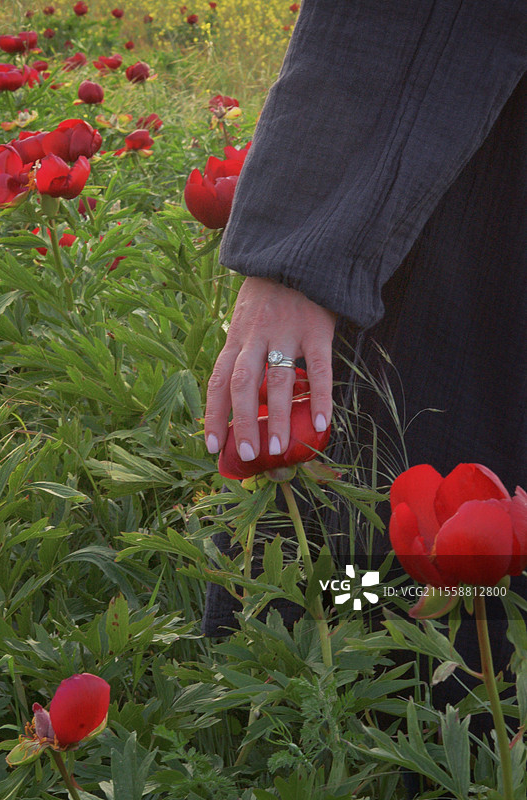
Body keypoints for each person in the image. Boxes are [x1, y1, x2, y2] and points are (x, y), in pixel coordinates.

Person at [201, 0, 526, 672]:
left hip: (471, 227)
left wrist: (299, 248)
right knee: (370, 553)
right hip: (471, 198)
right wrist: (297, 259)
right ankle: (354, 700)